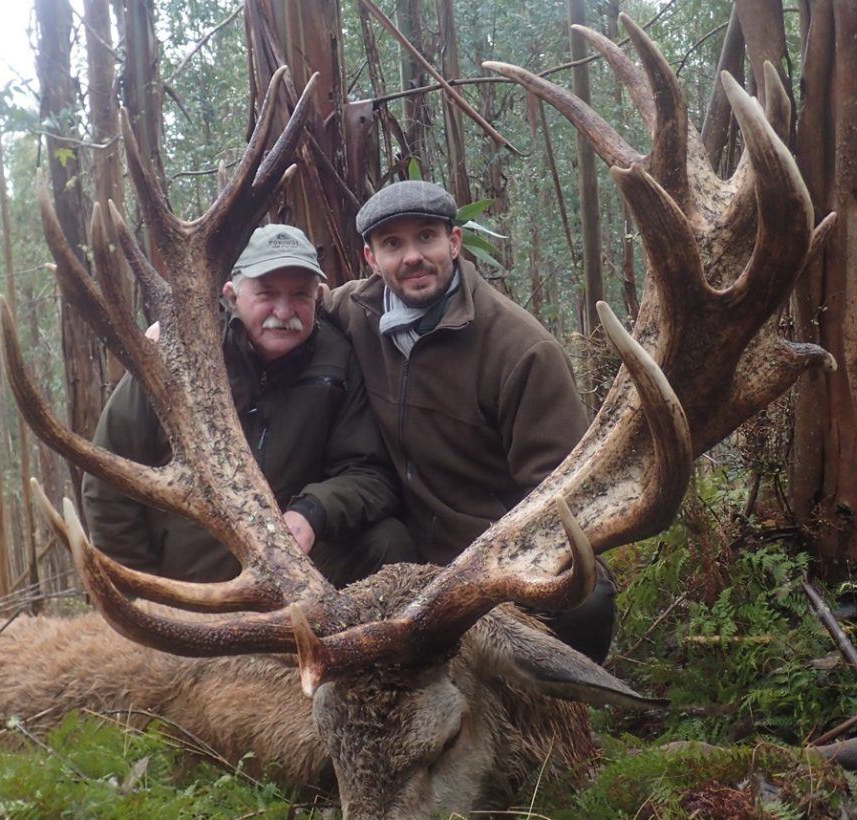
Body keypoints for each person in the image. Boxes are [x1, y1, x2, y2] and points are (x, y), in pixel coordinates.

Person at [323, 180, 616, 662]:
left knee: (586, 600)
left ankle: (560, 719)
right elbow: (282, 308)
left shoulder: (521, 349)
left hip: (497, 553)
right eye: (392, 244)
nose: (412, 256)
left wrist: (496, 569)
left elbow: (563, 493)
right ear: (371, 260)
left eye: (426, 237)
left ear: (454, 243)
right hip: (407, 546)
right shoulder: (353, 312)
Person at [83, 224, 416, 587]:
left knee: (388, 543)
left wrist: (313, 511)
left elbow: (370, 475)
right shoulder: (175, 357)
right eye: (266, 293)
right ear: (231, 294)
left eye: (300, 295)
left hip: (293, 571)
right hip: (192, 584)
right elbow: (110, 479)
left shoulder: (337, 360)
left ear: (318, 297)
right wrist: (139, 591)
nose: (284, 310)